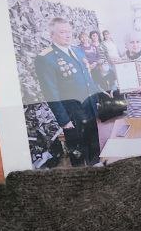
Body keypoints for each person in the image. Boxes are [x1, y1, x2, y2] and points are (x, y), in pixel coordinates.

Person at [35, 17, 103, 167]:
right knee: (79, 156)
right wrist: (64, 121)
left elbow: (87, 79)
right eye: (62, 32)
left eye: (69, 31)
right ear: (52, 35)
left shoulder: (78, 51)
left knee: (94, 149)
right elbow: (50, 93)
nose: (68, 35)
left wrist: (97, 101)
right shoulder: (45, 58)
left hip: (90, 109)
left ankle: (97, 169)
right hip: (72, 116)